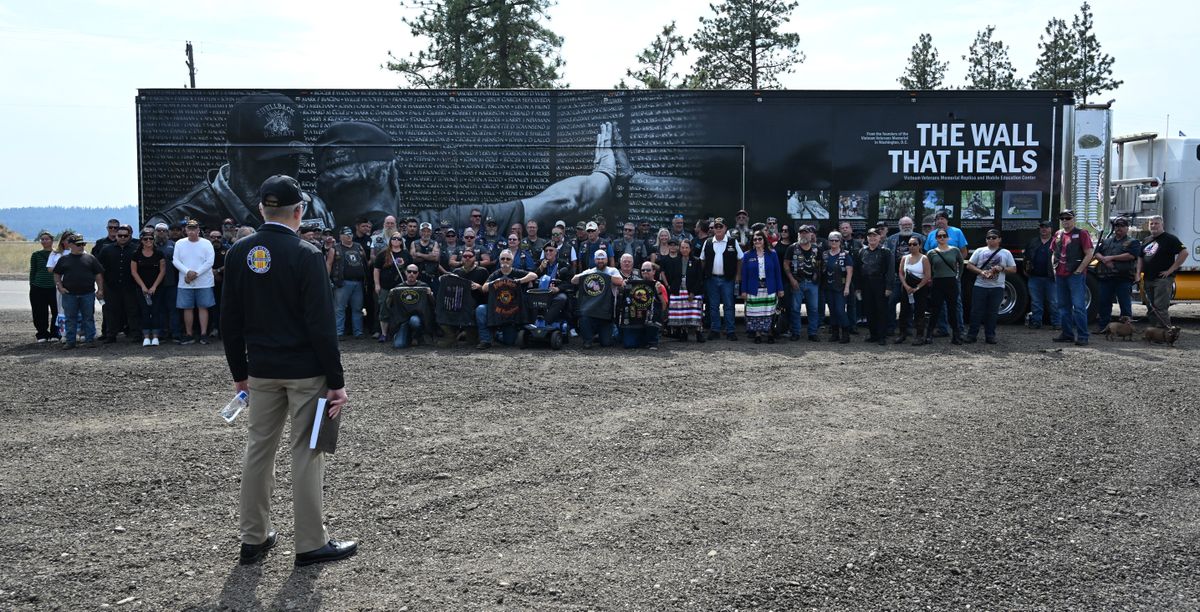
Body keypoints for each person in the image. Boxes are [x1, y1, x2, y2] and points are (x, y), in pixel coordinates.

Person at [221, 174, 356, 568]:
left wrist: (239, 372)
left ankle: (253, 538)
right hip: (306, 374)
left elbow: (230, 320)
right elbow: (321, 325)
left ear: (262, 209)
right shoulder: (307, 254)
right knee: (308, 451)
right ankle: (311, 542)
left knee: (258, 450)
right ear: (299, 212)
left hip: (260, 371)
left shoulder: (237, 252)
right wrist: (337, 381)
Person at [148, 93, 335, 230]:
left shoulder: (315, 208)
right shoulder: (173, 219)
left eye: (293, 159)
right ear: (232, 154)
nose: (280, 174)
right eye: (266, 162)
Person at [476, 249, 538, 348]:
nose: (505, 261)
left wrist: (519, 281)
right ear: (499, 260)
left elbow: (533, 275)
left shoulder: (517, 272)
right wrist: (496, 281)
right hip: (496, 309)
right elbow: (484, 288)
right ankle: (485, 340)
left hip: (511, 312)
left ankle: (496, 335)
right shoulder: (495, 274)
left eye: (508, 259)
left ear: (512, 261)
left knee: (509, 342)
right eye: (503, 259)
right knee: (481, 309)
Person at [1050, 209, 1095, 346]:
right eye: (1062, 218)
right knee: (1063, 306)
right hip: (1060, 275)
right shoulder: (1058, 234)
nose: (1065, 221)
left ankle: (1083, 336)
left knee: (1079, 306)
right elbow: (1053, 252)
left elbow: (1089, 253)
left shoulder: (1082, 233)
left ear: (1073, 219)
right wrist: (1054, 268)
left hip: (1074, 276)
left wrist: (1079, 270)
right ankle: (1067, 334)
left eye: (1068, 218)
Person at [964, 229, 1016, 344]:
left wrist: (1001, 268)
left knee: (992, 312)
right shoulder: (979, 251)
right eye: (989, 238)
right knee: (976, 312)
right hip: (980, 286)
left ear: (999, 239)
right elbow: (969, 265)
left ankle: (990, 336)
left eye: (994, 237)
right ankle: (972, 335)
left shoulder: (1006, 253)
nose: (991, 240)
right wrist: (981, 272)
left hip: (998, 287)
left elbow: (1013, 269)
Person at [53, 233, 104, 350]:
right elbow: (56, 274)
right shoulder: (64, 259)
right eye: (78, 244)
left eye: (83, 244)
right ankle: (70, 341)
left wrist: (100, 289)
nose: (81, 246)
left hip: (88, 293)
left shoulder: (90, 258)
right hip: (69, 294)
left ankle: (89, 339)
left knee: (88, 317)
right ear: (70, 245)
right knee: (70, 318)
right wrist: (59, 287)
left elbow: (98, 274)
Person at [1138, 215, 1188, 328]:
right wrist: (1137, 274)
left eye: (1156, 223)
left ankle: (1166, 332)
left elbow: (1184, 253)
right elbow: (1140, 257)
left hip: (1162, 280)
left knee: (1160, 307)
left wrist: (1171, 270)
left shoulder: (1170, 239)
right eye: (1151, 223)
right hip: (1148, 278)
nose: (1154, 225)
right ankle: (1155, 332)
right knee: (1151, 307)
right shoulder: (1146, 240)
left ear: (1162, 224)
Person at [923, 210, 968, 336]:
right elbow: (927, 255)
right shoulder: (932, 234)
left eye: (942, 218)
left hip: (952, 275)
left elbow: (963, 251)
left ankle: (959, 330)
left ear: (947, 220)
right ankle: (943, 329)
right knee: (939, 303)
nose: (940, 221)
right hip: (936, 275)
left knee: (956, 303)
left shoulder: (957, 232)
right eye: (937, 219)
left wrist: (958, 268)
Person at [1093, 217, 1141, 331]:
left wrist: (1112, 258)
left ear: (1127, 228)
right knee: (1104, 303)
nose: (1118, 228)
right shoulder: (1107, 241)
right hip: (1106, 278)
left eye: (1121, 226)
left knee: (1125, 305)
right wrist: (1104, 259)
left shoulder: (1133, 242)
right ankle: (1103, 327)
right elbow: (1096, 253)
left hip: (1123, 278)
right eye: (1117, 226)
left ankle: (1127, 329)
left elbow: (1132, 255)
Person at [173, 220, 217, 345]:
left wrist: (196, 273)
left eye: (194, 229)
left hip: (204, 281)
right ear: (185, 230)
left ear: (198, 230)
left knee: (203, 307)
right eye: (189, 229)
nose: (192, 231)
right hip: (185, 281)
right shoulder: (180, 243)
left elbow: (210, 262)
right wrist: (188, 272)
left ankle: (203, 334)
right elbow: (175, 260)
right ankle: (189, 334)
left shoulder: (207, 243)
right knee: (187, 308)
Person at [571, 250, 625, 348]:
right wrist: (588, 276)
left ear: (607, 259)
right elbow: (574, 280)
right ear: (594, 260)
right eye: (598, 259)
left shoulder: (612, 271)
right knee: (583, 316)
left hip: (606, 313)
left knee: (606, 343)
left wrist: (604, 276)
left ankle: (599, 335)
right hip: (590, 312)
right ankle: (587, 340)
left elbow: (620, 281)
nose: (600, 261)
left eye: (602, 259)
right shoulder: (590, 271)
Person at [701, 217, 743, 341]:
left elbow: (740, 258)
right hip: (712, 279)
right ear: (713, 229)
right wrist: (703, 275)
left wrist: (738, 276)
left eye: (721, 226)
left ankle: (730, 330)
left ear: (725, 228)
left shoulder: (732, 241)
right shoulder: (708, 242)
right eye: (716, 227)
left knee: (729, 305)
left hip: (728, 279)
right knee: (713, 306)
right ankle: (715, 330)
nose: (718, 229)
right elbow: (702, 260)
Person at [740, 231, 784, 344]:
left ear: (764, 240)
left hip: (769, 288)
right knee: (756, 312)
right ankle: (757, 334)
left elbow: (778, 273)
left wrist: (780, 289)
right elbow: (744, 275)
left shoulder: (772, 254)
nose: (757, 241)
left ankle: (770, 333)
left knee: (769, 312)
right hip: (753, 289)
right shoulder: (747, 255)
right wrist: (743, 290)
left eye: (760, 239)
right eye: (755, 239)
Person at [884, 216, 925, 336]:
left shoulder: (921, 238)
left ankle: (907, 327)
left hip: (914, 278)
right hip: (896, 277)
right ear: (899, 226)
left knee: (910, 304)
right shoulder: (891, 239)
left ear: (913, 225)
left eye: (909, 224)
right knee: (891, 302)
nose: (906, 226)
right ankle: (890, 327)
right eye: (904, 225)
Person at [856, 227, 896, 345]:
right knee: (869, 310)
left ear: (880, 237)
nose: (872, 238)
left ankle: (882, 336)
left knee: (881, 310)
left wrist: (889, 287)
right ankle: (873, 334)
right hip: (866, 284)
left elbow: (890, 270)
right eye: (870, 236)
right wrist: (858, 288)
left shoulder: (886, 251)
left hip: (880, 284)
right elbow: (858, 271)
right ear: (867, 238)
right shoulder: (862, 252)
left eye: (875, 236)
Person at [327, 227, 367, 339]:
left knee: (358, 309)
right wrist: (327, 279)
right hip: (342, 282)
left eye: (350, 234)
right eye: (346, 234)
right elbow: (329, 264)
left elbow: (365, 262)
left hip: (358, 282)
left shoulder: (358, 246)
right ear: (340, 236)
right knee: (339, 308)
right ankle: (339, 333)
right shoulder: (335, 248)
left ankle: (358, 332)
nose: (349, 236)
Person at [661, 239, 705, 342]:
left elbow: (699, 279)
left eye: (687, 247)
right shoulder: (675, 260)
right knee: (681, 312)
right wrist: (671, 287)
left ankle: (698, 333)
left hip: (693, 289)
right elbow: (670, 276)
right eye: (682, 247)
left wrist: (693, 292)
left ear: (690, 249)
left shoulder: (696, 261)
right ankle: (682, 332)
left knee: (695, 312)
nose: (684, 250)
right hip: (678, 289)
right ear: (679, 249)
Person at [784, 225, 822, 342]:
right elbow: (786, 264)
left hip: (812, 283)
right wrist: (791, 279)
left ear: (811, 235)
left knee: (814, 309)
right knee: (795, 309)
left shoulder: (816, 249)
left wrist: (817, 273)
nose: (803, 235)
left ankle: (812, 333)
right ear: (798, 234)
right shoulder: (792, 248)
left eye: (806, 233)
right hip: (797, 282)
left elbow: (820, 263)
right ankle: (796, 332)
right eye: (801, 233)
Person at [620, 262, 668, 349]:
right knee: (629, 345)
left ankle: (652, 341)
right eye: (643, 270)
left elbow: (664, 307)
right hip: (635, 321)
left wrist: (659, 293)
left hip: (650, 320)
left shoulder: (659, 285)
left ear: (654, 271)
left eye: (648, 270)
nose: (645, 272)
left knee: (654, 315)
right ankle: (643, 340)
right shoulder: (633, 283)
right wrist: (624, 285)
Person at [372, 233, 411, 342]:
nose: (396, 240)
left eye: (399, 239)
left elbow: (411, 270)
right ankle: (384, 334)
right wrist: (377, 284)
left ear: (401, 241)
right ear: (390, 240)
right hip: (385, 287)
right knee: (384, 309)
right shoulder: (383, 254)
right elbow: (376, 270)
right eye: (394, 238)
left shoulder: (406, 254)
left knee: (401, 310)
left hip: (401, 287)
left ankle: (399, 333)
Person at [131, 230, 167, 346]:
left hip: (157, 287)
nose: (148, 241)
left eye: (150, 239)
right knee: (144, 311)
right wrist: (143, 286)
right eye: (145, 239)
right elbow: (134, 272)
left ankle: (156, 336)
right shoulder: (136, 254)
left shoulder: (159, 254)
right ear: (141, 241)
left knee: (156, 311)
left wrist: (154, 287)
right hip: (141, 288)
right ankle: (146, 336)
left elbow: (162, 271)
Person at [1023, 221, 1059, 329]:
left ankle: (1057, 323)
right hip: (1034, 277)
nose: (1044, 229)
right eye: (1042, 227)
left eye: (1046, 227)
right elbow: (1026, 257)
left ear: (1051, 229)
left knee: (1054, 302)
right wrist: (1025, 269)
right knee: (1036, 302)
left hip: (1051, 278)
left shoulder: (1056, 242)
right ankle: (1036, 322)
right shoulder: (1033, 242)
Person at [387, 266, 434, 348]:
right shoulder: (398, 287)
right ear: (405, 273)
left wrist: (430, 294)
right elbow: (388, 305)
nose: (411, 274)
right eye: (409, 271)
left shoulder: (423, 286)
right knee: (399, 345)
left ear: (418, 274)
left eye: (414, 272)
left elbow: (433, 304)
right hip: (402, 319)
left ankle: (416, 336)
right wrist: (390, 295)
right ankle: (404, 336)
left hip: (417, 317)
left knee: (415, 321)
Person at [897, 235, 932, 345]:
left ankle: (919, 335)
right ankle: (902, 333)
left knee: (919, 311)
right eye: (910, 244)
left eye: (914, 244)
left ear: (920, 245)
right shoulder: (905, 258)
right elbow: (901, 273)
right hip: (907, 287)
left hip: (920, 288)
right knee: (903, 311)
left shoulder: (924, 258)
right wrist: (906, 286)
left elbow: (927, 276)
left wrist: (917, 288)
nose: (912, 246)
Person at [821, 231, 853, 344]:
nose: (834, 242)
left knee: (840, 310)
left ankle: (846, 334)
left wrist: (847, 287)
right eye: (831, 240)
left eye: (836, 240)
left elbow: (849, 272)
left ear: (840, 241)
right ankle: (835, 334)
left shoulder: (845, 254)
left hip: (841, 287)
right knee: (832, 311)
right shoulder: (824, 254)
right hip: (828, 287)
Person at [29, 231, 58, 343]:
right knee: (39, 311)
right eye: (42, 239)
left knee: (56, 311)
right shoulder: (36, 255)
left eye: (47, 239)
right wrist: (32, 284)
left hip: (53, 286)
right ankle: (42, 334)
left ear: (52, 240)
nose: (44, 241)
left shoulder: (57, 254)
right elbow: (33, 271)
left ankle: (55, 333)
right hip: (38, 286)